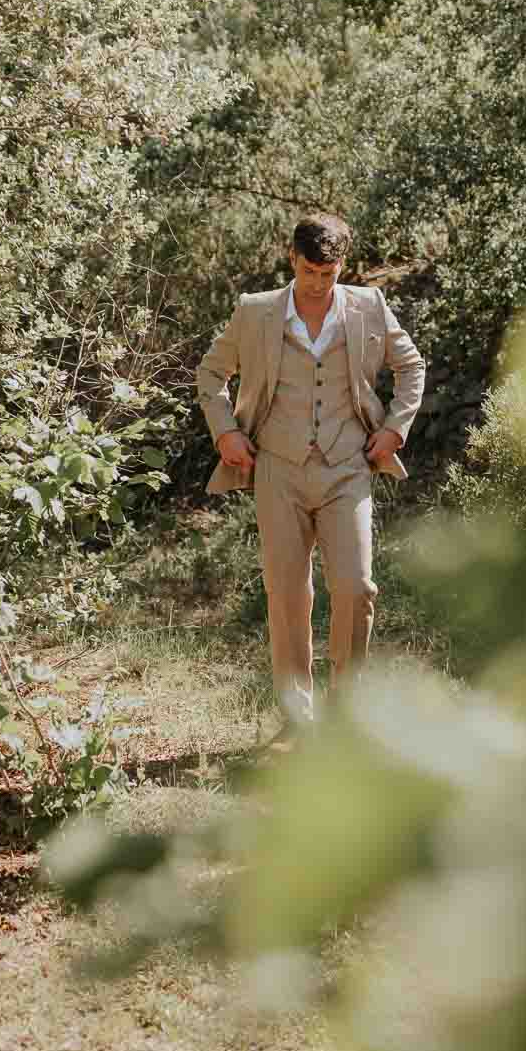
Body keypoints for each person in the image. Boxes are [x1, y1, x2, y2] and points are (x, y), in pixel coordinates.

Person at [195, 214, 426, 726]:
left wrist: (395, 427)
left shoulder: (369, 307)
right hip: (278, 468)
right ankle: (297, 717)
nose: (319, 284)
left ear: (342, 265)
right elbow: (211, 373)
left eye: (329, 273)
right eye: (309, 272)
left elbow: (411, 367)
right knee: (286, 589)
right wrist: (226, 432)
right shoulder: (255, 312)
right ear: (292, 260)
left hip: (348, 466)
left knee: (356, 586)